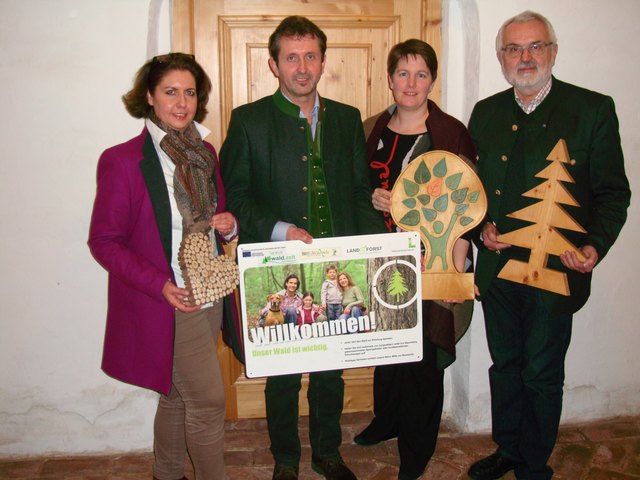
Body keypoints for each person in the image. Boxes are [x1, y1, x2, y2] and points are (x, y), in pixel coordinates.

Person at [219, 15, 384, 480]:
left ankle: (328, 453)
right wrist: (280, 229)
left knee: (332, 370)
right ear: (274, 65)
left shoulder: (348, 119)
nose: (302, 67)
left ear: (323, 61)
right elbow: (235, 196)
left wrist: (376, 247)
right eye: (291, 57)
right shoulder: (249, 121)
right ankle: (286, 459)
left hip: (338, 265)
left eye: (310, 56)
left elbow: (358, 190)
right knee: (284, 373)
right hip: (279, 262)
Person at [467, 11, 630, 480]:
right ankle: (509, 449)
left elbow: (613, 193)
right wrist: (482, 231)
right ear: (501, 58)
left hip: (555, 272)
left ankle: (533, 463)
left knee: (540, 372)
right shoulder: (487, 112)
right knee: (505, 365)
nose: (525, 57)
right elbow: (472, 192)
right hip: (499, 270)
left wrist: (594, 247)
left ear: (553, 52)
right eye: (513, 49)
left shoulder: (592, 109)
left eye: (535, 46)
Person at [88, 52, 238, 480]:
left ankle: (166, 473)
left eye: (190, 92)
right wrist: (159, 285)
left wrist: (227, 227)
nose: (182, 102)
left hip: (207, 290)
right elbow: (104, 242)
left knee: (177, 394)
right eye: (170, 91)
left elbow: (216, 218)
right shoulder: (123, 161)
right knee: (207, 400)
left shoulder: (204, 151)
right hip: (167, 300)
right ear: (150, 97)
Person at [354, 39, 476, 480]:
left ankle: (417, 449)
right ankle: (386, 422)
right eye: (402, 73)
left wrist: (454, 267)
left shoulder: (450, 134)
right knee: (386, 351)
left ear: (432, 80)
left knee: (423, 360)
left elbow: (467, 207)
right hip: (380, 259)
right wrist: (371, 196)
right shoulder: (370, 129)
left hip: (431, 263)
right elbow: (353, 191)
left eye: (421, 74)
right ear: (390, 79)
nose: (411, 83)